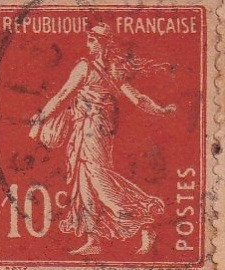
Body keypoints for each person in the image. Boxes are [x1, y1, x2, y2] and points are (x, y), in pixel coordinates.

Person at [29, 23, 176, 256]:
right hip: (83, 131)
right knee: (84, 184)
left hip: (95, 131)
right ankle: (93, 238)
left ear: (102, 43)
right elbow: (63, 96)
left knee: (100, 182)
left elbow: (135, 98)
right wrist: (41, 118)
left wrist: (160, 110)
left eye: (92, 40)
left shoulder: (94, 68)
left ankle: (145, 219)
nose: (88, 44)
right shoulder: (93, 67)